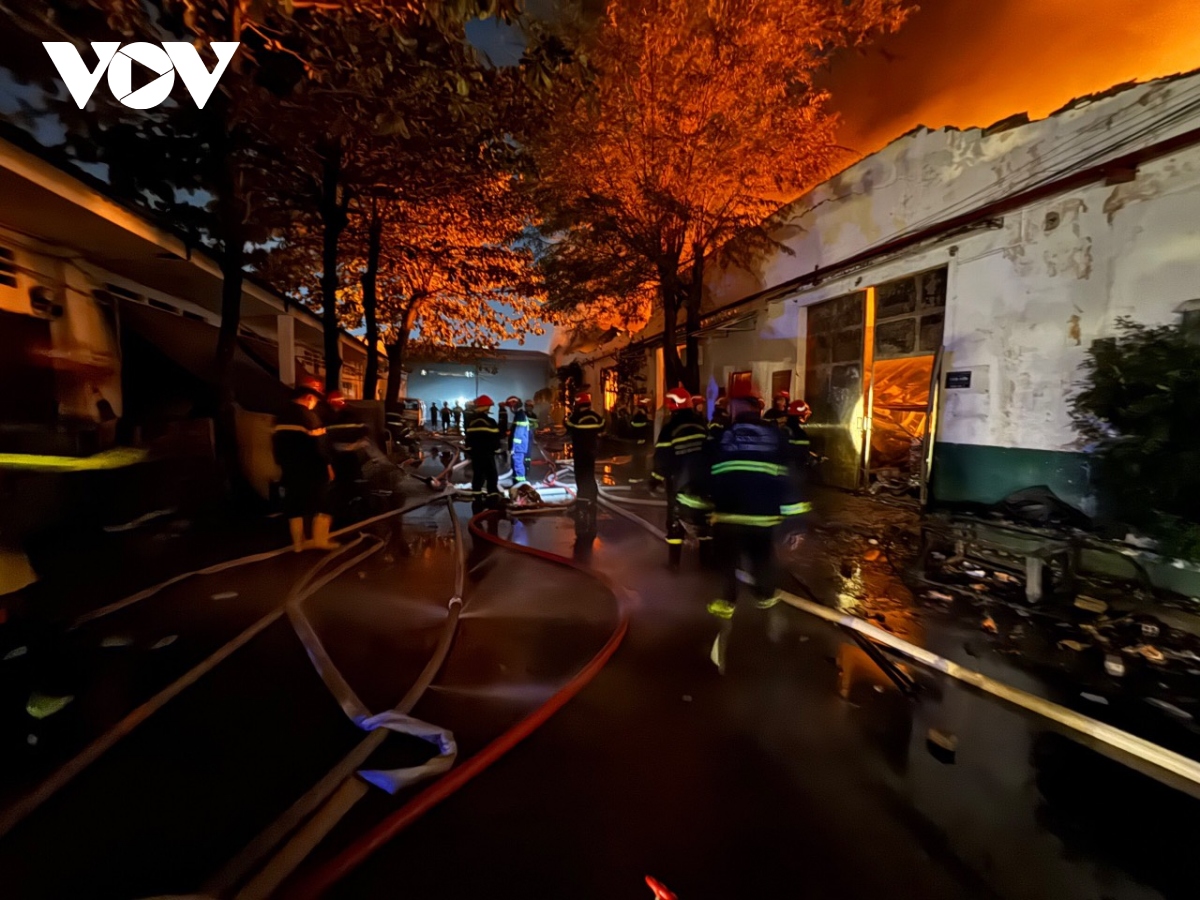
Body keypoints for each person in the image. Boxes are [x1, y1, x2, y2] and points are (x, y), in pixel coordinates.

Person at [705, 383, 810, 620]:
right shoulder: (775, 435)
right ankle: (764, 595)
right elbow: (789, 476)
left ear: (735, 406)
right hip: (763, 513)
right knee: (761, 555)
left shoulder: (722, 435)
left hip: (729, 512)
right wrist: (795, 520)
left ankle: (728, 602)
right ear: (758, 407)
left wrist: (703, 503)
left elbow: (707, 470)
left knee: (727, 559)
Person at [274, 385, 339, 553]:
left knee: (294, 504)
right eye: (315, 401)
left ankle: (298, 544)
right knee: (324, 501)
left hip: (290, 467)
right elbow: (320, 446)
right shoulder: (309, 417)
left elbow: (277, 446)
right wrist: (328, 465)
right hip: (312, 468)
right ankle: (320, 540)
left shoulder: (281, 416)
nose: (314, 405)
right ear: (309, 398)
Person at [652, 385, 708, 568]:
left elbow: (662, 458)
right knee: (703, 519)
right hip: (704, 480)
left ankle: (674, 564)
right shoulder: (701, 424)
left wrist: (654, 479)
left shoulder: (670, 428)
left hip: (678, 481)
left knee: (675, 519)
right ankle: (706, 564)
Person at [565, 392, 605, 535]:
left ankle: (581, 506)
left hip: (580, 453)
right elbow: (603, 425)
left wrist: (573, 414)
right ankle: (592, 501)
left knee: (581, 477)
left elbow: (568, 425)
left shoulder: (576, 418)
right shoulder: (595, 417)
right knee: (590, 475)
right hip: (591, 453)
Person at [326, 390, 369, 502]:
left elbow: (325, 440)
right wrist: (354, 445)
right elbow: (364, 435)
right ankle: (353, 501)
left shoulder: (328, 419)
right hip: (350, 457)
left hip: (338, 457)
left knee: (340, 484)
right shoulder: (353, 416)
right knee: (351, 482)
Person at [465, 394, 502, 507]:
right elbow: (496, 439)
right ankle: (492, 498)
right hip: (488, 454)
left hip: (476, 454)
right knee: (491, 475)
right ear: (487, 408)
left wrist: (470, 451)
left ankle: (477, 498)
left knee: (478, 475)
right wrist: (496, 450)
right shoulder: (491, 422)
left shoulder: (472, 422)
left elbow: (468, 440)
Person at [505, 395, 531, 486]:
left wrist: (513, 448)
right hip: (519, 446)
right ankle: (517, 484)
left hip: (518, 447)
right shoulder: (520, 415)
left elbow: (518, 434)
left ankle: (521, 485)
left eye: (510, 407)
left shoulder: (520, 415)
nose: (510, 409)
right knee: (516, 465)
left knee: (518, 465)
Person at [628, 397, 652, 484]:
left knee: (635, 460)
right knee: (641, 460)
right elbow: (648, 429)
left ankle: (634, 477)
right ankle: (640, 476)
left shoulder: (634, 419)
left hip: (635, 444)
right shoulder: (644, 419)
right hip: (642, 443)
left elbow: (630, 428)